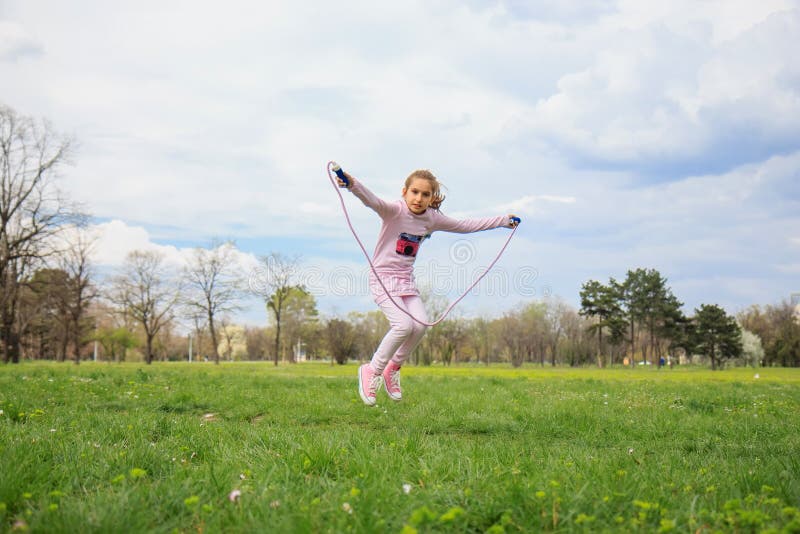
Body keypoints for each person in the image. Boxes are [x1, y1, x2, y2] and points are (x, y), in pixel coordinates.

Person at [337, 168, 518, 406]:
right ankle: (372, 370)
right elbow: (371, 199)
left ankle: (393, 367)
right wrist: (350, 182)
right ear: (404, 192)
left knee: (421, 325)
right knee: (403, 326)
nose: (418, 198)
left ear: (432, 198)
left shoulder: (432, 219)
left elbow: (466, 225)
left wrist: (503, 221)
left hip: (405, 281)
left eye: (425, 194)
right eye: (414, 192)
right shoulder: (393, 211)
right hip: (383, 278)